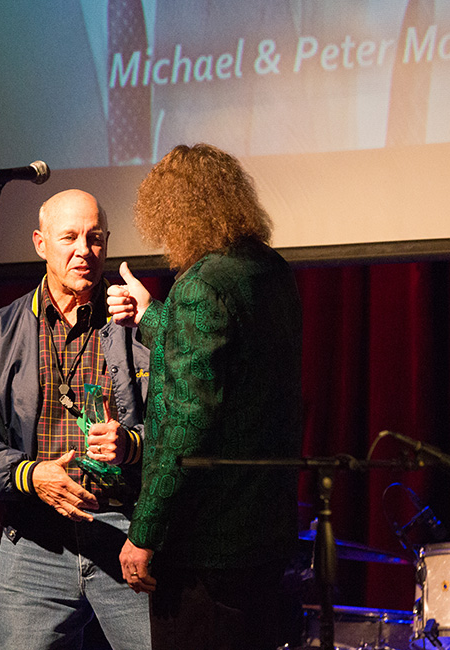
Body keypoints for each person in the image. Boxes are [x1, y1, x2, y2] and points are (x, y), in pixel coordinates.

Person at [110, 143, 304, 649]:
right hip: (264, 537)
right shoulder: (269, 271)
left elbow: (185, 425)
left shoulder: (201, 284)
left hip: (207, 550)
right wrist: (152, 314)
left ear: (174, 212)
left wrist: (145, 531)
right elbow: (232, 366)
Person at [0, 189, 152, 649]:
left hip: (127, 535)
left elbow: (179, 425)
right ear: (41, 244)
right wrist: (31, 475)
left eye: (96, 238)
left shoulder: (136, 324)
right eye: (70, 237)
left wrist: (132, 444)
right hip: (35, 542)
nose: (84, 250)